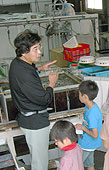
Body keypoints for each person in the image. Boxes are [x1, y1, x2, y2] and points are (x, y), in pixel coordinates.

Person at [9, 30, 58, 170]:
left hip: (27, 119)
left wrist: (40, 69)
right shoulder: (24, 74)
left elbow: (28, 71)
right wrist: (51, 83)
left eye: (39, 48)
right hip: (35, 123)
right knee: (40, 162)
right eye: (35, 49)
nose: (39, 52)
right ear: (24, 52)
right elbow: (44, 99)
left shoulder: (17, 63)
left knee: (38, 157)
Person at [75, 80, 103, 170]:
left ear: (85, 96)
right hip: (89, 144)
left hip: (87, 145)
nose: (78, 96)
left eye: (79, 94)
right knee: (90, 164)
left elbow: (95, 135)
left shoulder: (92, 114)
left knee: (77, 165)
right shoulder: (90, 106)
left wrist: (82, 127)